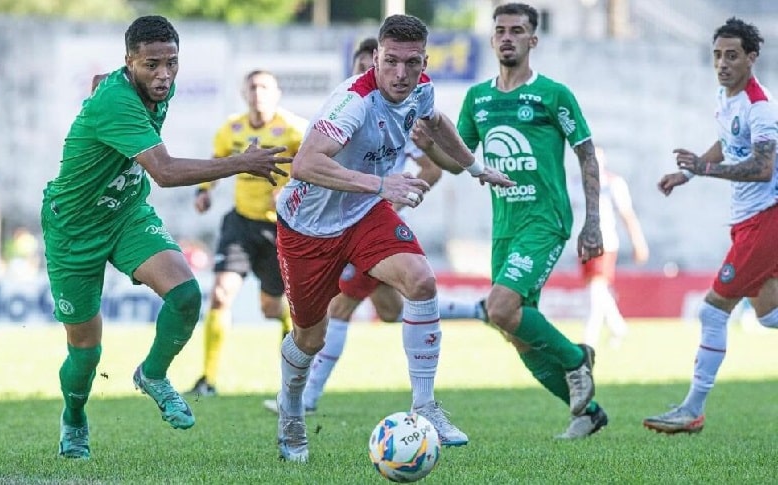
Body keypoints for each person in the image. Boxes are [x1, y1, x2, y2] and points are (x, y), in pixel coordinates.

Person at [41, 15, 292, 459]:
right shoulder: (118, 101)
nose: (163, 75)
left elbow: (105, 80)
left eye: (171, 64)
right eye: (151, 65)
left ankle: (152, 375)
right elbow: (166, 171)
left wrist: (103, 84)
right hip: (73, 228)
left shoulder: (151, 85)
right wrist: (239, 163)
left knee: (187, 297)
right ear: (130, 63)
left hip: (126, 214)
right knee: (85, 352)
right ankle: (75, 417)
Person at [272, 14, 514, 462]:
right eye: (391, 62)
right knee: (310, 338)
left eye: (412, 62)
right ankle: (290, 410)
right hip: (308, 227)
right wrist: (383, 185)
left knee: (421, 280)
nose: (401, 74)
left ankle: (424, 404)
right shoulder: (353, 103)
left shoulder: (421, 89)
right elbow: (304, 164)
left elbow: (437, 123)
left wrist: (476, 168)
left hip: (364, 214)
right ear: (376, 58)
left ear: (424, 61)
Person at [454, 3, 607, 440]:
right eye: (500, 30)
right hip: (505, 225)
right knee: (515, 329)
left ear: (532, 40)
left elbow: (586, 152)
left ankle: (577, 359)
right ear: (492, 37)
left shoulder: (553, 94)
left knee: (498, 308)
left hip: (545, 219)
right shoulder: (477, 99)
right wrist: (422, 157)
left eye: (517, 31)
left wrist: (592, 221)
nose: (507, 37)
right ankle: (588, 412)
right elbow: (457, 157)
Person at [645, 17, 778, 434]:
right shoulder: (726, 97)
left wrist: (703, 170)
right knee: (768, 314)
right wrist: (688, 174)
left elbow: (762, 167)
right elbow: (726, 141)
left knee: (712, 308)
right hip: (746, 221)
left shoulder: (760, 107)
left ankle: (692, 409)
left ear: (751, 58)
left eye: (732, 55)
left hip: (766, 218)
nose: (722, 63)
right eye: (717, 55)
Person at [187, 70, 307, 397]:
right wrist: (204, 191)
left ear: (276, 93)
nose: (258, 93)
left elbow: (314, 165)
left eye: (264, 87)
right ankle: (208, 380)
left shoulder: (294, 129)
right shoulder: (232, 129)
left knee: (272, 307)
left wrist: (293, 189)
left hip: (279, 227)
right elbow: (217, 161)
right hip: (241, 223)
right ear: (243, 93)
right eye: (252, 87)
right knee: (221, 294)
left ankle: (292, 372)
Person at [577, 147, 648, 349]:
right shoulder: (575, 184)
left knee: (596, 288)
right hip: (583, 243)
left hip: (604, 242)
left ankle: (589, 338)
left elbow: (627, 214)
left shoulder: (613, 183)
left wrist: (638, 241)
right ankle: (618, 328)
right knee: (597, 289)